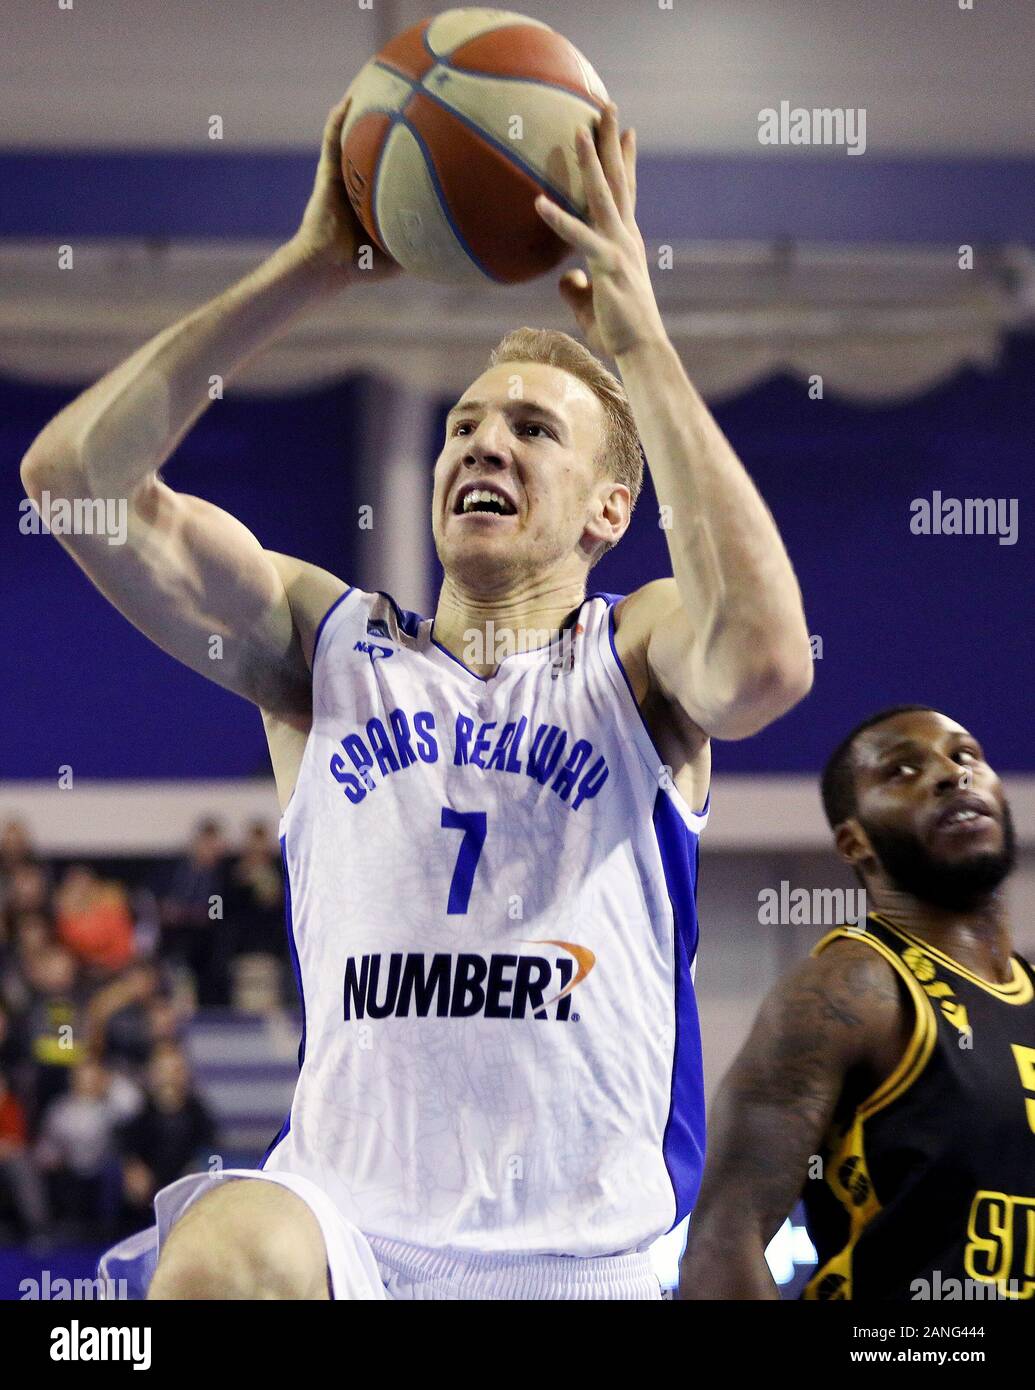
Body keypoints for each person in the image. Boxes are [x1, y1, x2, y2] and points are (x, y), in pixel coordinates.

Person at [23, 97, 812, 1300]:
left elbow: (764, 661)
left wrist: (642, 341)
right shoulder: (321, 646)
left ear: (608, 512)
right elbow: (73, 479)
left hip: (591, 1263)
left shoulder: (633, 654)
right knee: (228, 1250)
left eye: (534, 430)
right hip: (359, 1241)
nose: (483, 443)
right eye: (464, 423)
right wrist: (303, 273)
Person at [679, 705, 1034, 1301]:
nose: (952, 775)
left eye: (965, 754)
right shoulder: (848, 991)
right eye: (901, 770)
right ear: (856, 842)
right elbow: (719, 1248)